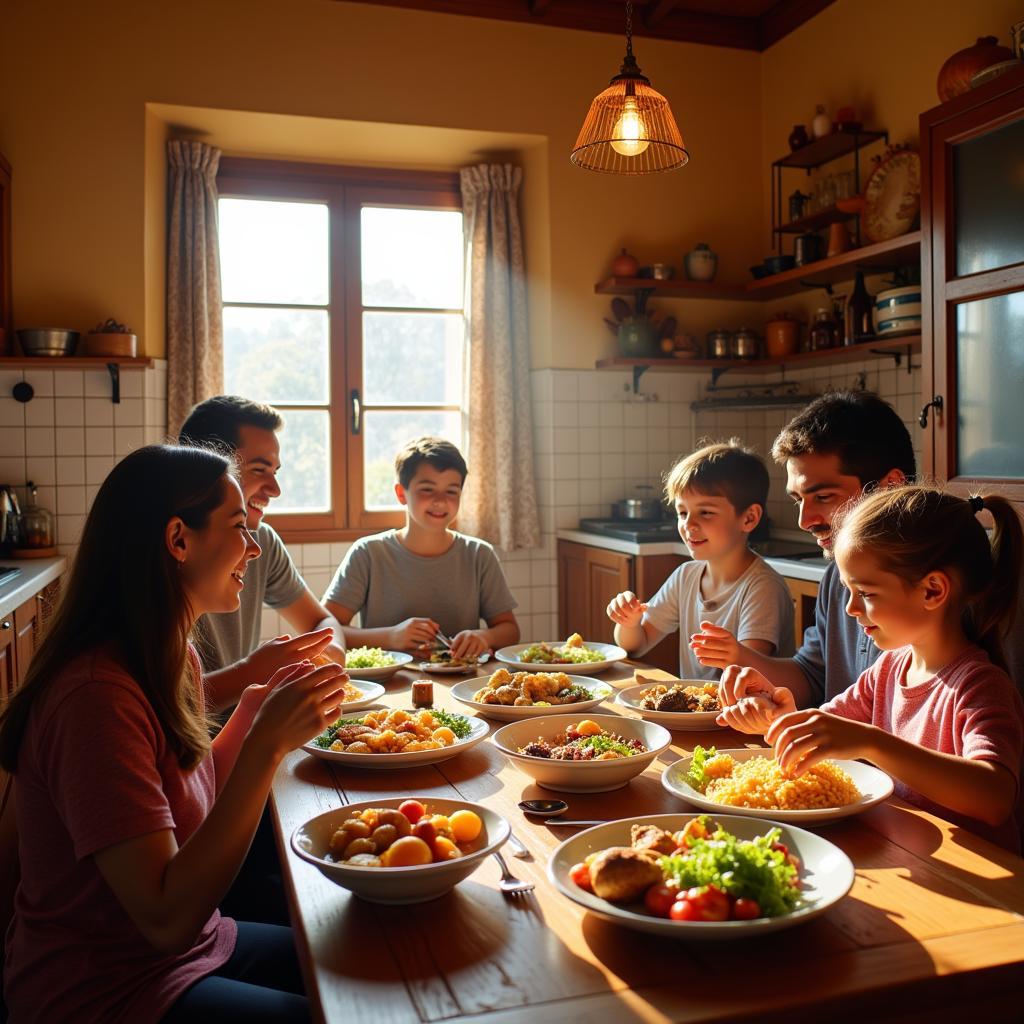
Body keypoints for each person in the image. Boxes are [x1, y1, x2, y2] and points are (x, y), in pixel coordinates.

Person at [0, 445, 349, 1021]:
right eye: (239, 528)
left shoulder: (167, 654)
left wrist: (254, 714)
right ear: (178, 540)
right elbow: (165, 918)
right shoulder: (94, 697)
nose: (254, 548)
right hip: (106, 993)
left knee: (372, 955)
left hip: (192, 950)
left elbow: (189, 793)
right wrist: (265, 747)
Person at [717, 484, 1024, 853]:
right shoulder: (890, 668)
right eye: (848, 590)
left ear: (932, 591)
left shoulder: (979, 685)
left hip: (977, 887)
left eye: (866, 593)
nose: (850, 608)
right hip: (910, 852)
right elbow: (831, 729)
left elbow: (994, 797)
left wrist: (873, 742)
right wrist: (781, 715)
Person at [690, 391, 915, 704]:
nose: (804, 520)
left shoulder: (937, 588)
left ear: (891, 485)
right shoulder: (838, 577)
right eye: (798, 499)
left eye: (823, 497)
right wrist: (744, 663)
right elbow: (811, 675)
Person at [178, 395, 347, 708]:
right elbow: (163, 707)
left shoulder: (262, 541)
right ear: (210, 467)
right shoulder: (169, 549)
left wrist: (329, 653)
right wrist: (254, 672)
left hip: (237, 730)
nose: (276, 490)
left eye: (276, 472)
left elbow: (320, 621)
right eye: (259, 470)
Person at [606, 440, 793, 679]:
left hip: (746, 713)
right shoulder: (686, 576)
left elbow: (747, 676)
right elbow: (635, 645)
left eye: (705, 512)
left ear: (749, 518)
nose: (688, 525)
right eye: (682, 512)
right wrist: (630, 622)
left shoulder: (762, 587)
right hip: (699, 711)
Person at [324, 437, 519, 658]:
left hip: (461, 681)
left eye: (451, 491)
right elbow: (327, 630)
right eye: (427, 489)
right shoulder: (368, 553)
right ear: (400, 493)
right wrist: (390, 637)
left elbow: (510, 630)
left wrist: (485, 637)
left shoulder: (479, 554)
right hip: (388, 684)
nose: (440, 501)